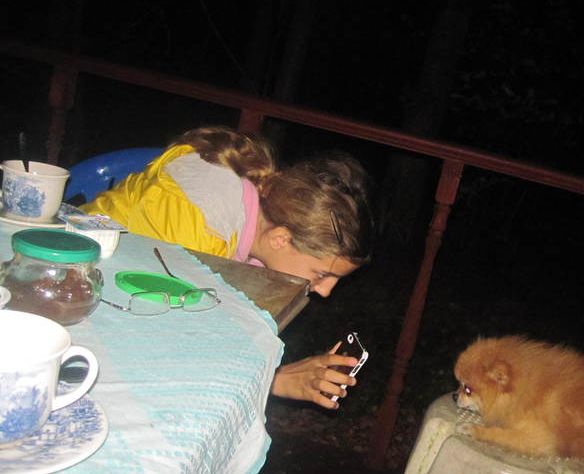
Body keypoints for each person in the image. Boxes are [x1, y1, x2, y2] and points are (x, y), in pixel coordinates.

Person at [82, 126, 374, 409]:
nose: (325, 291)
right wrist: (277, 382)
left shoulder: (255, 220)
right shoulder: (201, 229)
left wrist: (272, 376)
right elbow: (164, 354)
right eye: (323, 274)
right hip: (78, 303)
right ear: (281, 239)